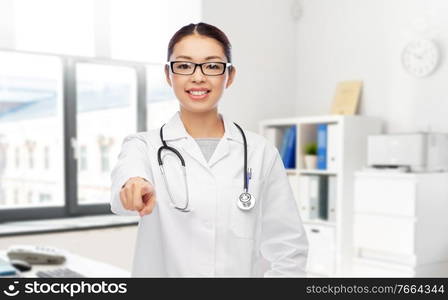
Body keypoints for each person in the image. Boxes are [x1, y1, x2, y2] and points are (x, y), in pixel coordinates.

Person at [110, 22, 308, 277]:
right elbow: (125, 183)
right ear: (169, 75)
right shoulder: (143, 146)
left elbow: (288, 249)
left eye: (212, 66)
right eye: (184, 65)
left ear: (230, 76)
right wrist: (133, 185)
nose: (198, 77)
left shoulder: (261, 153)